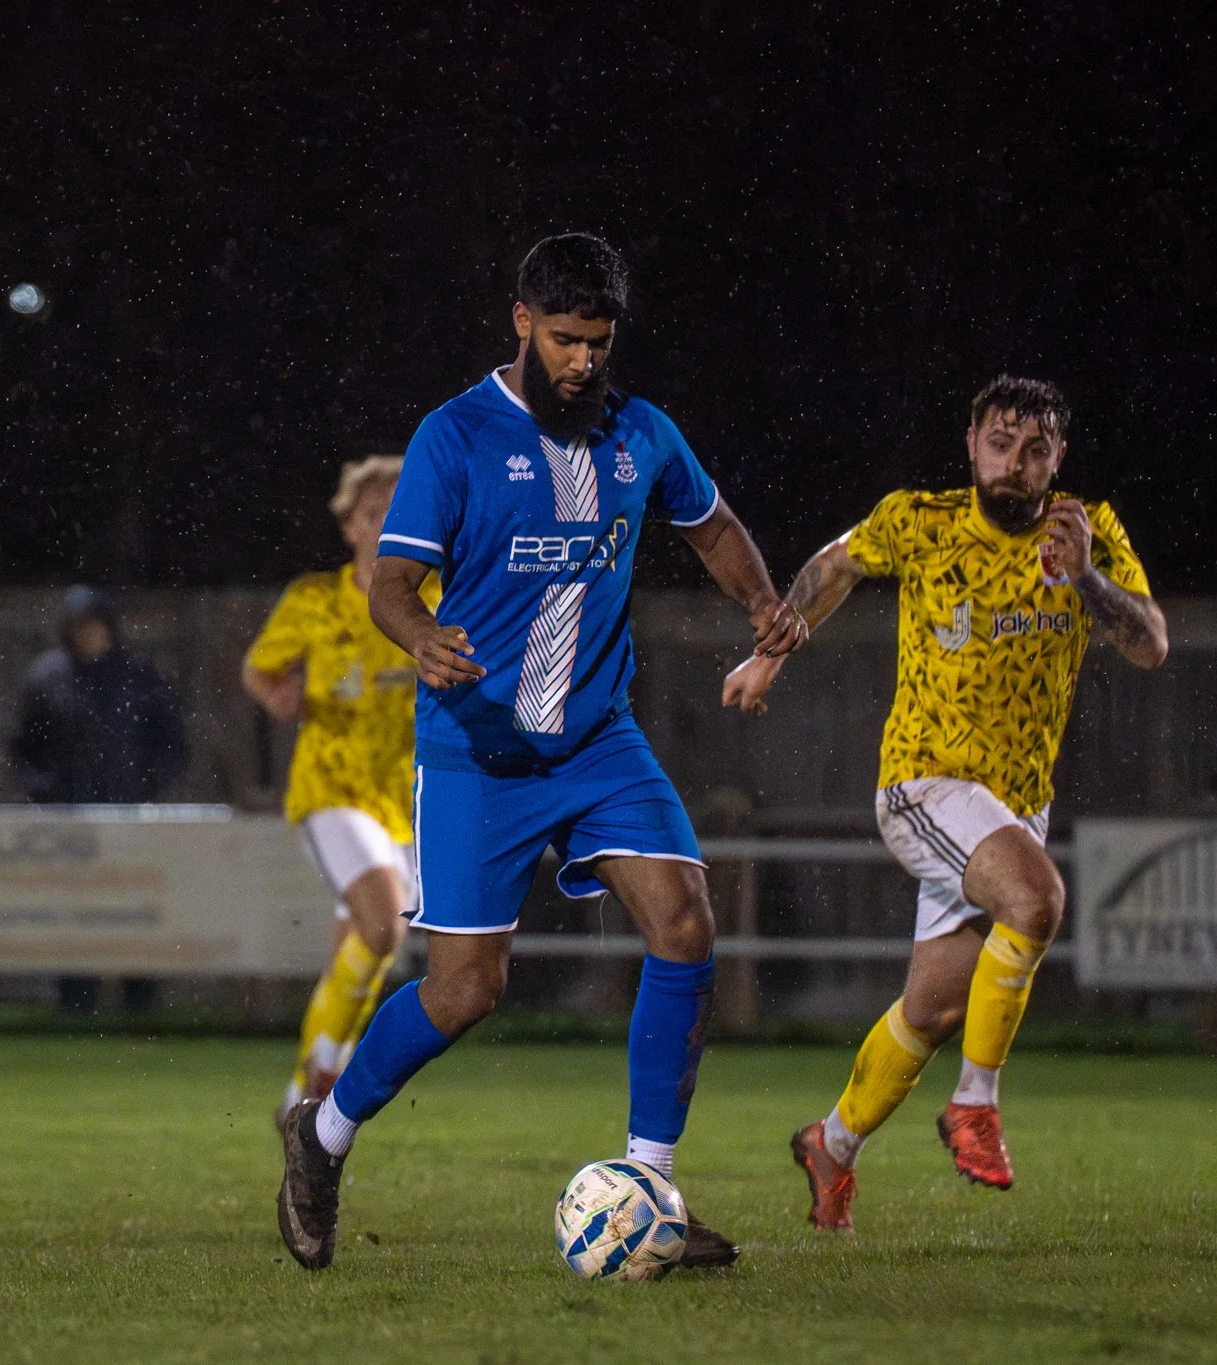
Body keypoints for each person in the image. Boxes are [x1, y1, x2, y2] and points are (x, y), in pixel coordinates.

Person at [276, 233, 807, 1272]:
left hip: (597, 738)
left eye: (597, 344)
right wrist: (419, 634)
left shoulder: (639, 433)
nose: (580, 363)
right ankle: (321, 1133)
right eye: (564, 341)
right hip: (478, 750)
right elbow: (388, 585)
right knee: (467, 988)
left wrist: (758, 603)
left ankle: (648, 1186)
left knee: (685, 925)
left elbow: (708, 523)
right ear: (520, 322)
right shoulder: (456, 435)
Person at [723, 376, 1169, 1232]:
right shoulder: (921, 522)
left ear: (1057, 458)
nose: (1015, 463)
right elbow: (834, 565)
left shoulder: (1088, 531)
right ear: (971, 444)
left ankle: (832, 1144)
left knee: (930, 1010)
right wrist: (770, 657)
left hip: (1010, 810)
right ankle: (975, 1104)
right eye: (1001, 443)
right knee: (1038, 900)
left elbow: (1150, 644)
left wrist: (1085, 582)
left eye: (1035, 449)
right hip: (925, 784)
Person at [243, 455, 437, 1125]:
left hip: (404, 800)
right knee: (384, 923)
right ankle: (326, 1070)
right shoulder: (315, 600)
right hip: (330, 788)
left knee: (364, 948)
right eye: (372, 514)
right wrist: (285, 698)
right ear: (350, 524)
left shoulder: (433, 597)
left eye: (396, 514)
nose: (384, 526)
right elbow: (262, 670)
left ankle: (305, 1086)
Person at [10, 586, 189, 1013]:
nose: (89, 636)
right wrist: (47, 793)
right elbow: (24, 748)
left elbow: (171, 744)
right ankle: (75, 1001)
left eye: (95, 627)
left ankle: (140, 1002)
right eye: (80, 629)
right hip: (70, 823)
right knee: (74, 913)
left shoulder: (139, 678)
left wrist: (144, 787)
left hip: (130, 820)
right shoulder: (47, 679)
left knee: (138, 910)